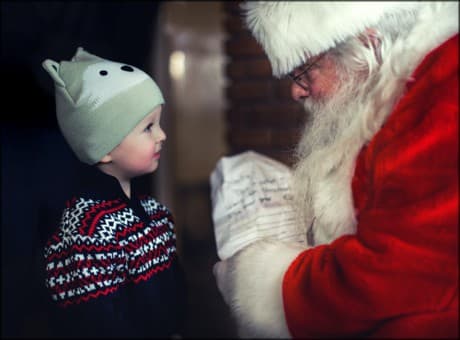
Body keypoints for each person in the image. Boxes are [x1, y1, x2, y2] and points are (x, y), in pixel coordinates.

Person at [213, 2, 458, 338]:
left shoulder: (445, 88)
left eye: (304, 71)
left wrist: (263, 282)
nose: (296, 91)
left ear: (366, 43)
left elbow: (394, 275)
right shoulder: (407, 91)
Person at [41, 47, 186, 338]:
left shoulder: (155, 214)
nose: (162, 135)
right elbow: (99, 323)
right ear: (104, 148)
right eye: (148, 128)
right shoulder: (86, 231)